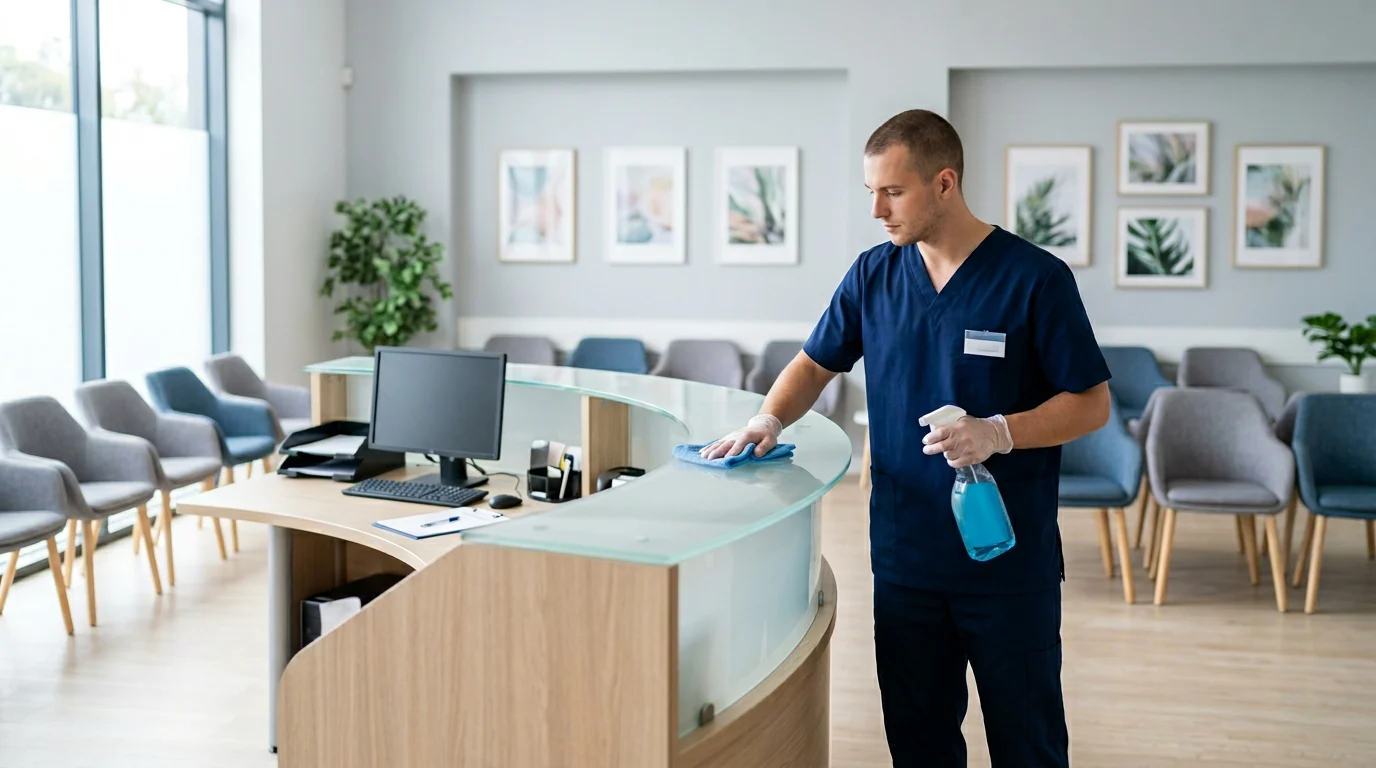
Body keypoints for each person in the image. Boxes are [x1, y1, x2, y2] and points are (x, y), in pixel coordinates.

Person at [699, 109, 1112, 767]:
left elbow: (1091, 403)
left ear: (944, 184)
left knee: (1027, 746)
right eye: (871, 192)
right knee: (919, 746)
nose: (877, 210)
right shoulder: (874, 275)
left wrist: (1001, 432)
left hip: (1008, 566)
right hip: (906, 562)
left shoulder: (1035, 279)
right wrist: (766, 420)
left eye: (892, 191)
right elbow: (814, 364)